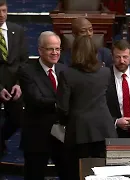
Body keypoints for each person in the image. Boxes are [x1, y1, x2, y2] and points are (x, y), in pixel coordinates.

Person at [56, 35, 117, 180]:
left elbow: (63, 107)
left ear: (75, 52)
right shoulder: (106, 72)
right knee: (104, 174)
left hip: (78, 132)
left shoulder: (67, 74)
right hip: (104, 130)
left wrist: (64, 122)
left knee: (77, 173)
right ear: (95, 51)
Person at [18, 31, 67, 180]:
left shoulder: (64, 70)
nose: (55, 53)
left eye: (57, 49)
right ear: (40, 50)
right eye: (50, 49)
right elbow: (36, 100)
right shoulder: (27, 71)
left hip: (63, 136)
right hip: (37, 136)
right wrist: (64, 103)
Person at [0, 0, 28, 154]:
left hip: (14, 83)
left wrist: (19, 84)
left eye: (4, 11)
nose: (1, 15)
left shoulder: (17, 31)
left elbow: (24, 60)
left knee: (17, 119)